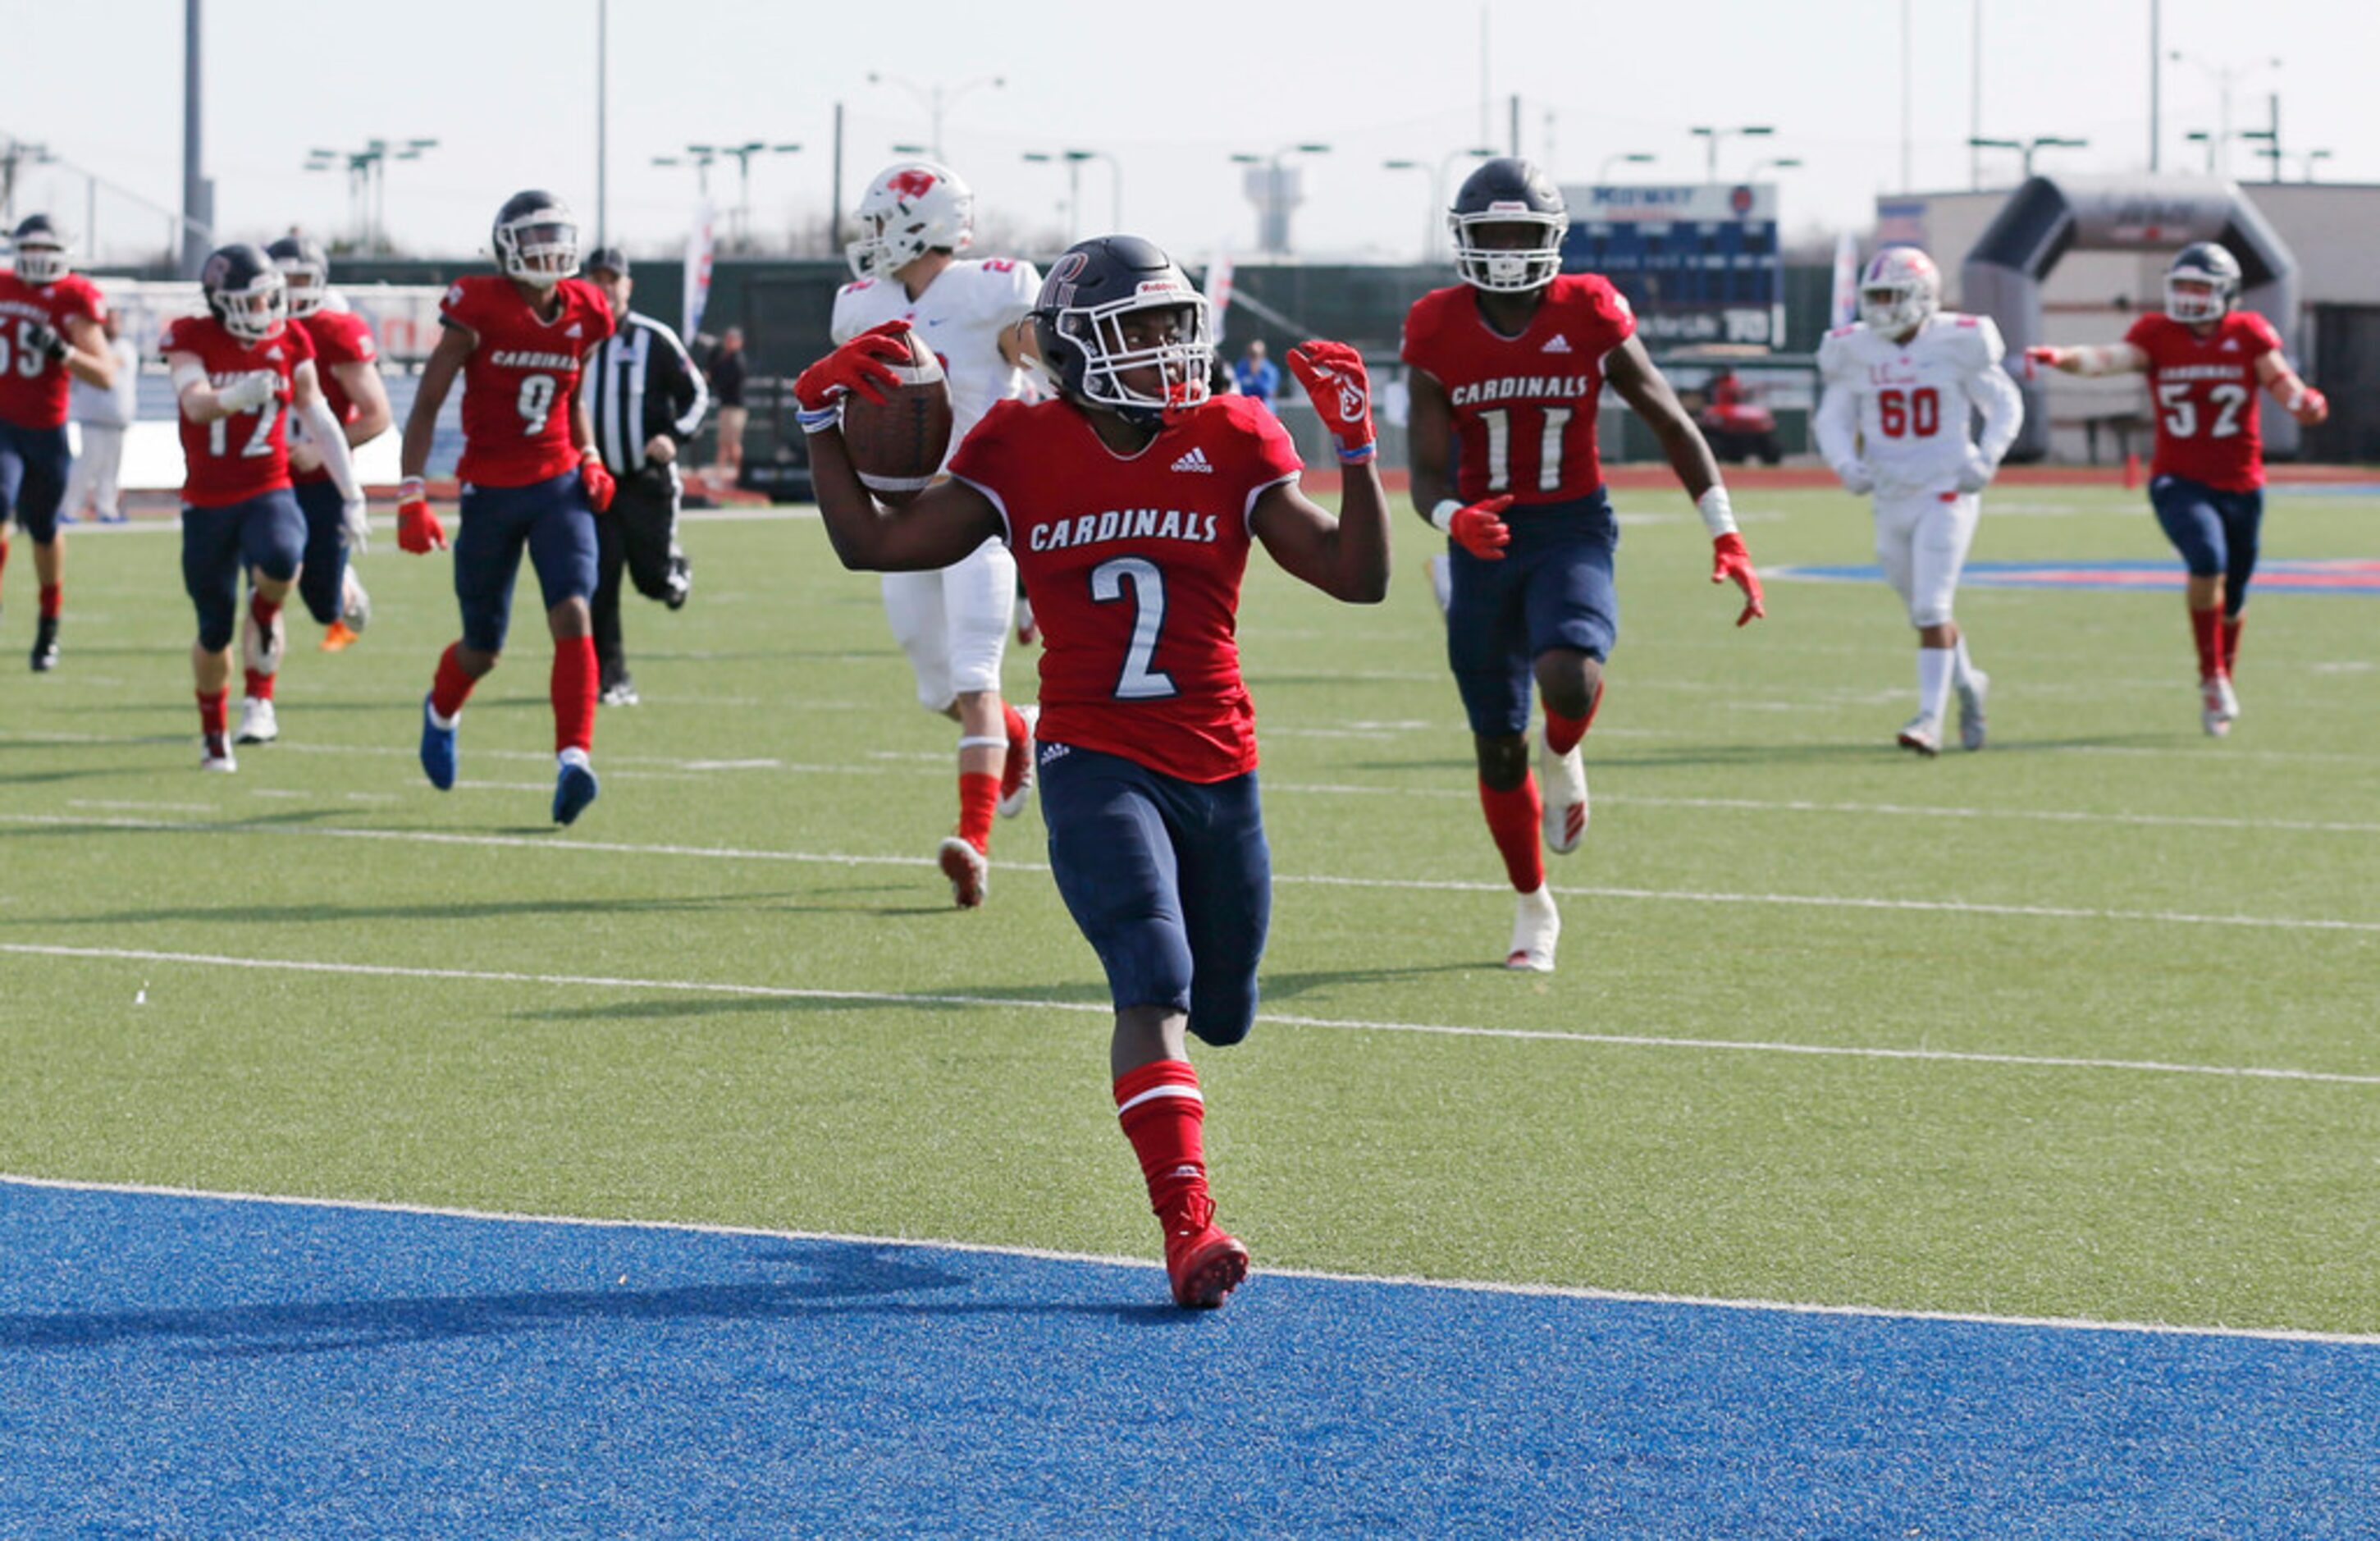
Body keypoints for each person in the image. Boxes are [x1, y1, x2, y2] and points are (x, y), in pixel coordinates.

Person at [795, 235, 1389, 1311]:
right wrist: (818, 427)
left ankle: (1183, 1158)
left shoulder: (1233, 432)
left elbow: (1356, 577)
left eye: (1175, 326)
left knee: (1223, 1011)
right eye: (1141, 330)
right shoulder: (1020, 445)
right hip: (1089, 753)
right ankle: (1187, 1227)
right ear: (1075, 347)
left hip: (1218, 764)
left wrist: (1355, 452)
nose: (1170, 351)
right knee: (1152, 979)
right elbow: (876, 546)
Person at [1401, 158, 1765, 972]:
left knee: (1569, 677)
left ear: (1551, 240)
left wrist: (1726, 531)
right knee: (1496, 744)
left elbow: (1672, 421)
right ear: (1462, 239)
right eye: (1487, 235)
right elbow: (1424, 471)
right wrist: (1454, 517)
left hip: (1569, 525)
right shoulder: (1434, 325)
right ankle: (1534, 903)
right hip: (1482, 536)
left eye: (1518, 234)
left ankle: (1564, 750)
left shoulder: (1591, 311)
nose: (1502, 251)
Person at [831, 158, 1043, 908]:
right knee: (936, 686)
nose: (872, 237)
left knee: (975, 671)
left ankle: (973, 845)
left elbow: (1038, 361)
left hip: (979, 504)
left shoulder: (995, 289)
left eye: (883, 221)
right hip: (902, 510)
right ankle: (1020, 732)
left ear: (923, 224)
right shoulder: (860, 305)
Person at [2027, 244, 2328, 736]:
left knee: (2234, 594)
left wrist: (2304, 403)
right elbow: (2109, 358)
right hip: (2179, 479)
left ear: (2225, 292)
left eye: (2200, 288)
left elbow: (2280, 380)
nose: (2189, 298)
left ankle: (2221, 679)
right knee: (2207, 561)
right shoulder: (2156, 333)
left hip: (2242, 480)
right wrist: (2063, 357)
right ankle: (2210, 676)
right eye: (2182, 286)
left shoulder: (2247, 332)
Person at [395, 190, 618, 824]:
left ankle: (573, 759)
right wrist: (412, 491)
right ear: (506, 246)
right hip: (489, 489)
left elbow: (570, 394)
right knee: (483, 646)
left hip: (557, 484)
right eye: (534, 235)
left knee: (573, 612)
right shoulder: (479, 305)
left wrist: (592, 455)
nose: (548, 248)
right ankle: (440, 711)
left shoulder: (587, 309)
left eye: (557, 234)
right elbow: (428, 402)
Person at [161, 243, 368, 767]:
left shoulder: (290, 338)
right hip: (206, 499)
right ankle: (214, 732)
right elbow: (195, 403)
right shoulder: (191, 336)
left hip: (266, 486)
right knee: (212, 627)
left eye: (270, 299)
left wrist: (352, 495)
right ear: (222, 302)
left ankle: (263, 636)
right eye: (254, 301)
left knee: (280, 558)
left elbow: (319, 418)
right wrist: (235, 396)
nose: (267, 311)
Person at [1816, 246, 2023, 755]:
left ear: (1923, 298)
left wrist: (1987, 458)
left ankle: (1928, 720)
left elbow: (2005, 403)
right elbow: (1832, 418)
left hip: (1945, 490)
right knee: (1924, 609)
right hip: (1890, 496)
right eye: (1876, 296)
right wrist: (1846, 464)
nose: (1883, 307)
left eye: (1893, 296)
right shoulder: (1856, 349)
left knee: (1932, 607)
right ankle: (1970, 684)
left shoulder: (1958, 342)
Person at [581, 248, 706, 705]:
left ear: (627, 286)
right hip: (594, 484)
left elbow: (696, 395)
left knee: (651, 580)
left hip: (644, 479)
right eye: (596, 279)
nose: (605, 287)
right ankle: (613, 678)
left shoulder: (654, 339)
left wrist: (674, 437)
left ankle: (675, 571)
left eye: (612, 279)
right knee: (599, 579)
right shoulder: (572, 340)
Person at [0, 214, 116, 670]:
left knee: (45, 528)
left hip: (46, 430)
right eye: (30, 249)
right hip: (2, 424)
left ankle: (49, 622)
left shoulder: (74, 296)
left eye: (47, 250)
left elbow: (105, 375)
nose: (37, 258)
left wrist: (62, 351)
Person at [265, 234, 388, 653]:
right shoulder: (252, 330)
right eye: (284, 280)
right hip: (267, 478)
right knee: (267, 575)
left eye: (302, 279)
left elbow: (377, 415)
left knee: (323, 603)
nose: (294, 289)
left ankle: (345, 588)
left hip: (325, 479)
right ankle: (258, 688)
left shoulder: (336, 330)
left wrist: (320, 449)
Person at [61, 309, 140, 524]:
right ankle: (68, 509)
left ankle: (107, 509)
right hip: (93, 418)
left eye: (116, 321)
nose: (113, 326)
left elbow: (111, 366)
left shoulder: (125, 348)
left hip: (117, 418)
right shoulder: (89, 350)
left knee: (111, 468)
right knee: (86, 465)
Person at [706, 327, 748, 482]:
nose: (729, 343)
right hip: (727, 407)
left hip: (734, 409)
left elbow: (723, 380)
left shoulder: (737, 361)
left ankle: (735, 475)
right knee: (725, 444)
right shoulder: (725, 358)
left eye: (733, 340)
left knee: (730, 445)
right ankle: (724, 475)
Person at [1231, 339, 1279, 409]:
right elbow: (1237, 387)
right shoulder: (1242, 366)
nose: (1253, 358)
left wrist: (1255, 376)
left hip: (1264, 408)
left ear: (1263, 355)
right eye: (1251, 354)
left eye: (1256, 355)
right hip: (1246, 407)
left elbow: (1269, 392)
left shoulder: (1270, 370)